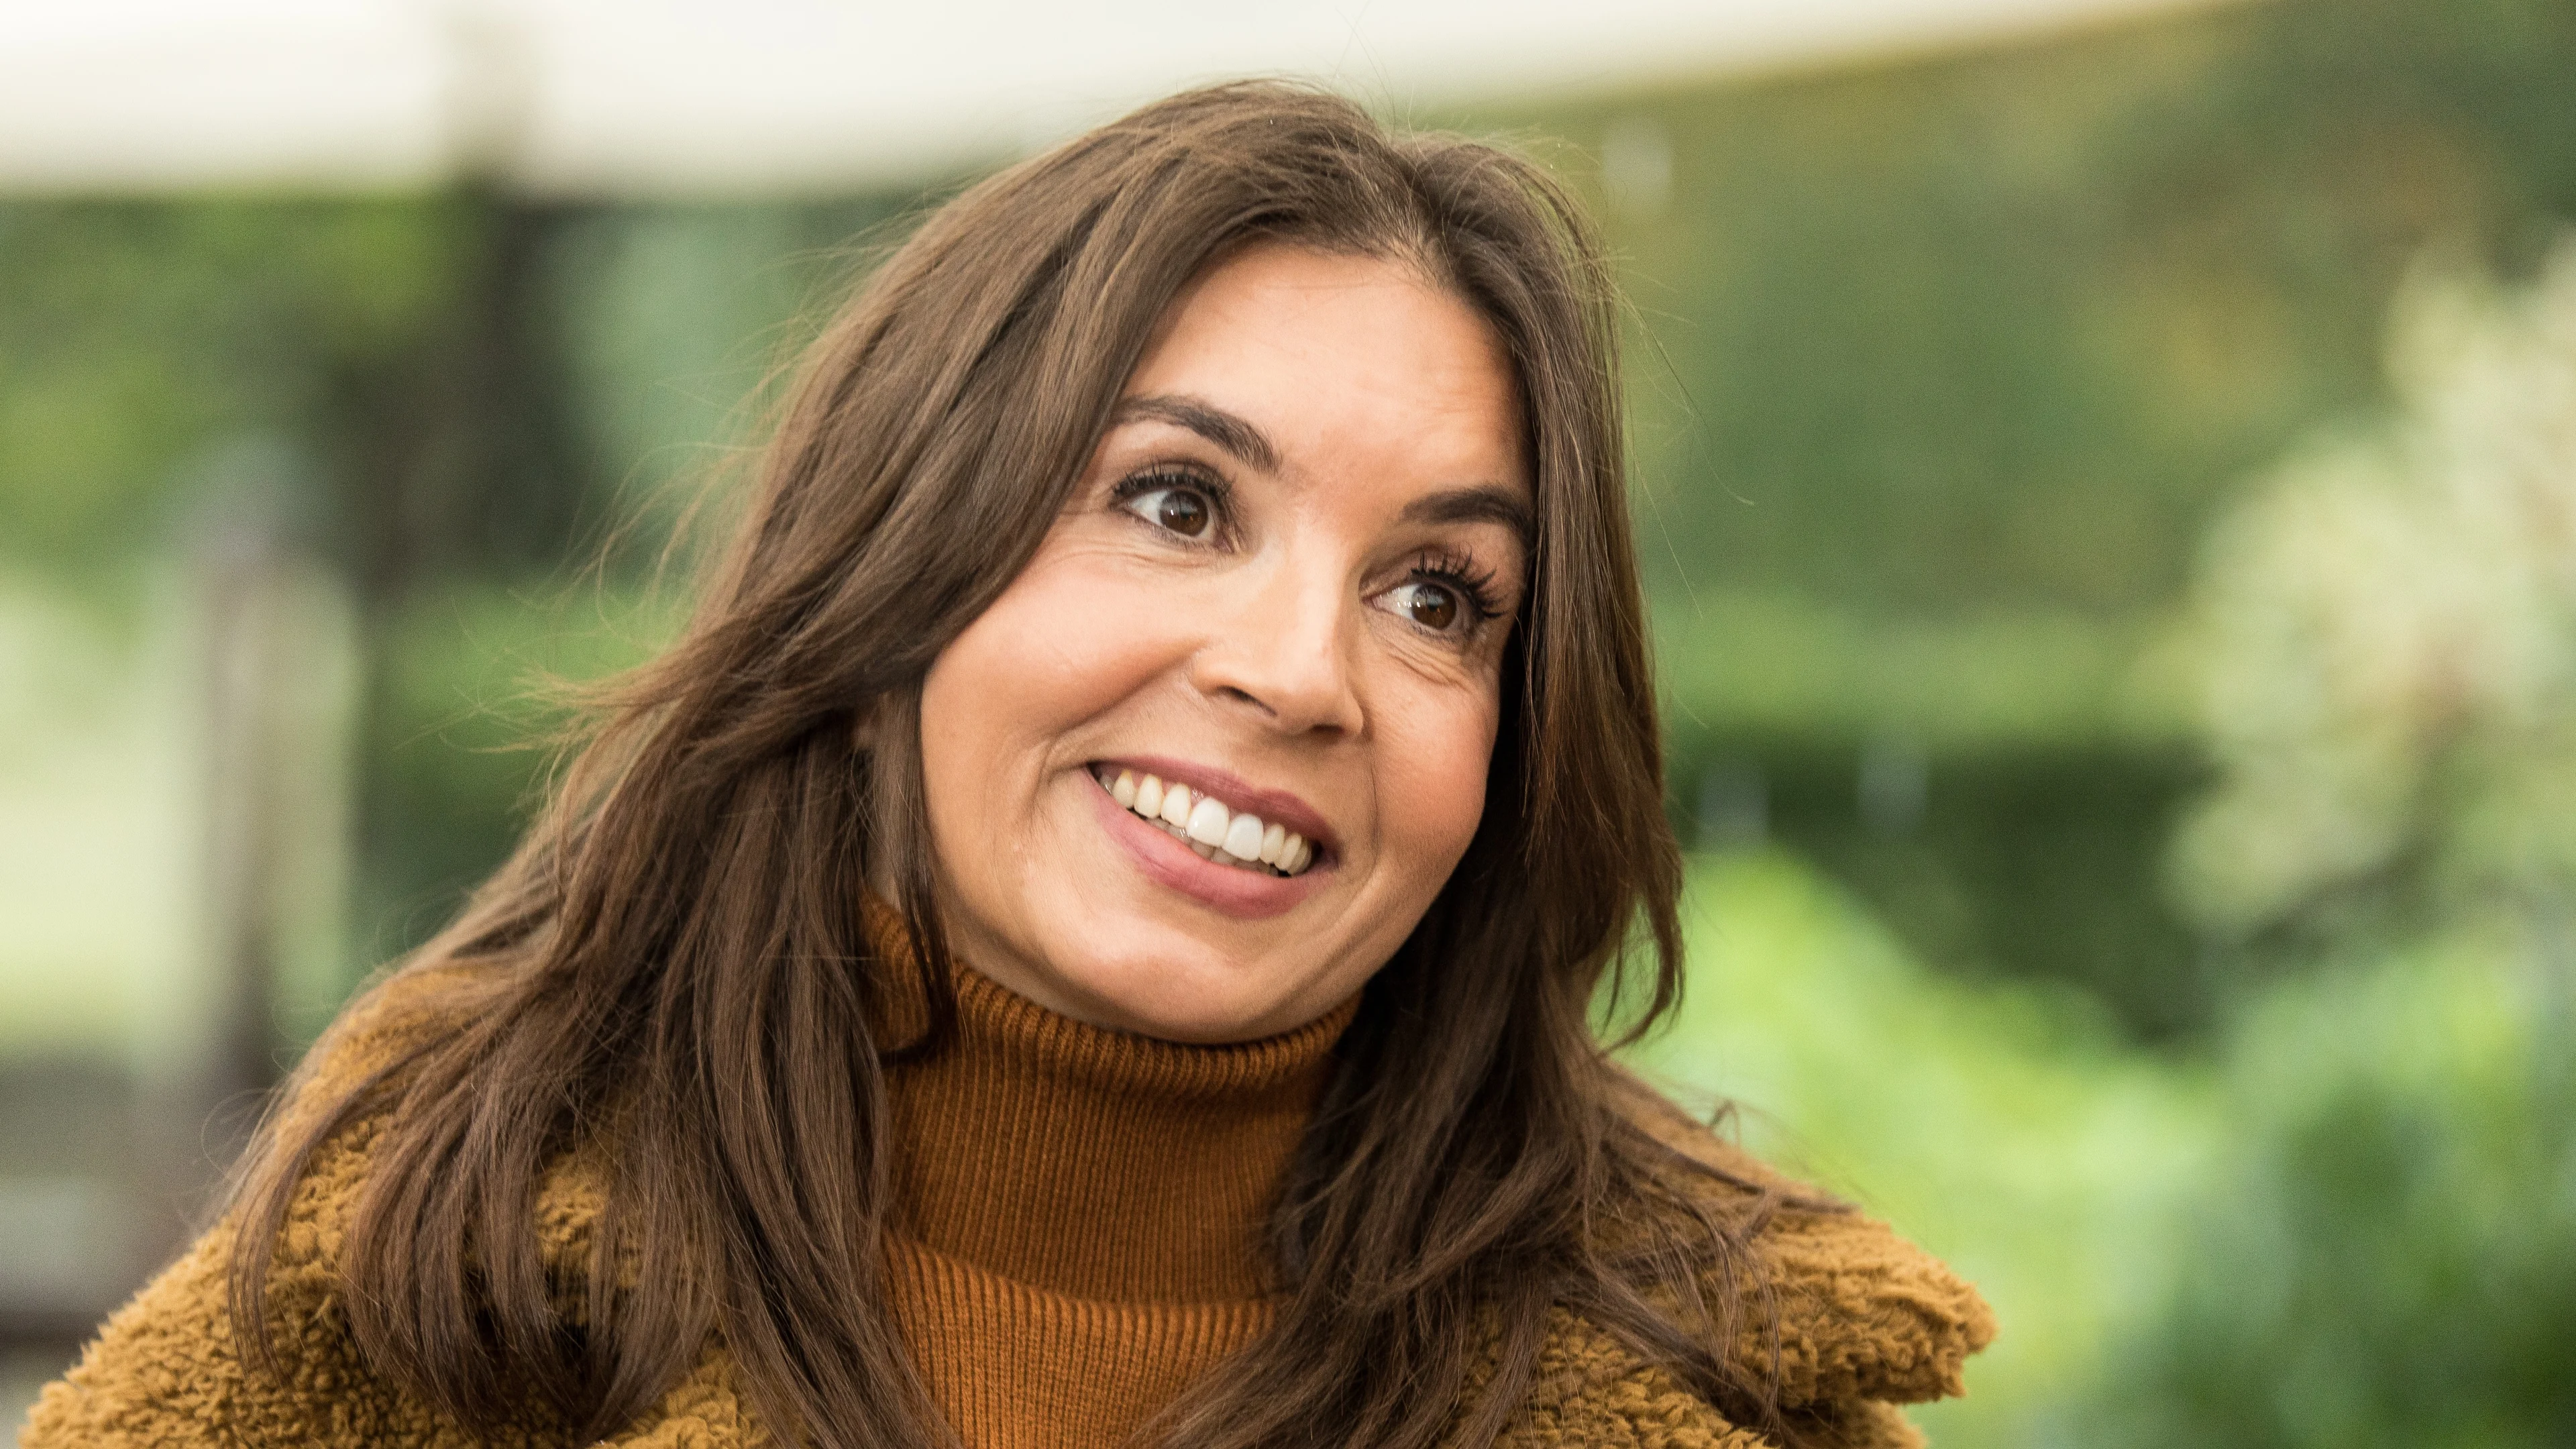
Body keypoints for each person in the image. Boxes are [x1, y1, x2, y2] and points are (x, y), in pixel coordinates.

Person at [24, 83, 1991, 1449]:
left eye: (1439, 597)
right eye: (1176, 501)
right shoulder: (403, 1312)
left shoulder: (1725, 1407)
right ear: (897, 587)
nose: (1302, 673)